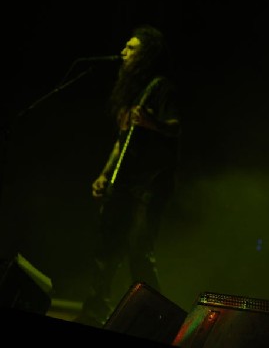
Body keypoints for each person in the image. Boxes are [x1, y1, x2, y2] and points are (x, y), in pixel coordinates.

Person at [74, 24, 182, 327]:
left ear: (146, 54)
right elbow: (121, 141)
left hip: (151, 183)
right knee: (106, 247)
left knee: (139, 250)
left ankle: (156, 321)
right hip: (124, 182)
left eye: (131, 48)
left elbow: (176, 127)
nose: (123, 53)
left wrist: (151, 122)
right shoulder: (131, 91)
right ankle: (94, 310)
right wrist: (104, 175)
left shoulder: (162, 87)